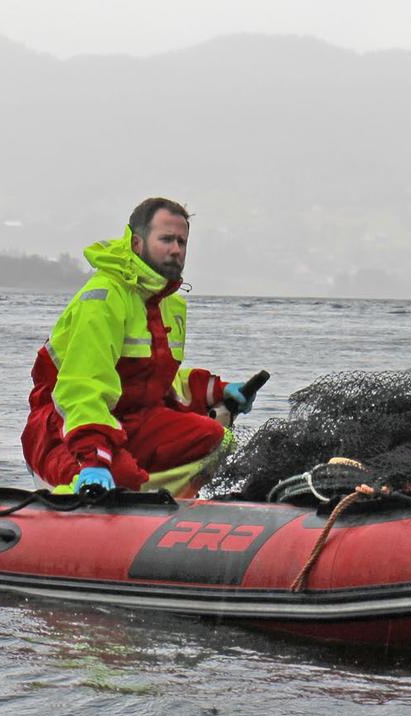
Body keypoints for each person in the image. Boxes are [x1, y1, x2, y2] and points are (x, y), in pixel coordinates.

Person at [21, 197, 256, 494]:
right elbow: (81, 390)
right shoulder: (103, 299)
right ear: (136, 243)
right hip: (63, 429)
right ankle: (81, 505)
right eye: (166, 239)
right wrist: (95, 458)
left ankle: (165, 512)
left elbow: (158, 382)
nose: (176, 250)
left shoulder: (169, 304)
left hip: (130, 422)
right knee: (119, 476)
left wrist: (216, 390)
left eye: (182, 242)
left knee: (216, 438)